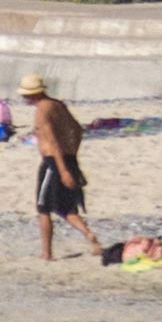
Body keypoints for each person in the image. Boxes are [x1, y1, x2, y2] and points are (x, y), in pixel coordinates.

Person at [21, 74, 99, 260]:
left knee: (43, 208)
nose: (24, 98)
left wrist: (62, 170)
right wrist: (73, 155)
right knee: (67, 209)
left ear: (34, 94)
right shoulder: (58, 105)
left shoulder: (42, 110)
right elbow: (78, 130)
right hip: (69, 159)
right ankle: (88, 234)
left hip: (53, 164)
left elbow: (52, 141)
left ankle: (46, 253)